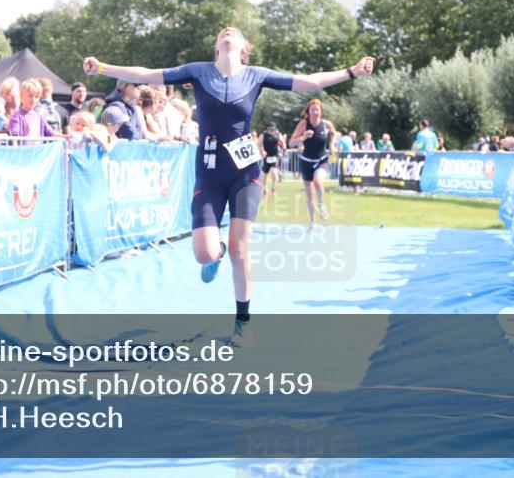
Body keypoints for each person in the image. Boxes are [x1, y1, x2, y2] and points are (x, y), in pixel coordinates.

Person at [83, 26, 375, 345]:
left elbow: (309, 81)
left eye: (234, 32)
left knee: (240, 246)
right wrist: (102, 67)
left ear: (243, 48)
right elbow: (147, 73)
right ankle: (217, 253)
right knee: (204, 253)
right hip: (208, 170)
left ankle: (242, 323)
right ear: (216, 46)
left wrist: (351, 71)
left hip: (244, 170)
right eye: (223, 31)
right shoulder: (198, 72)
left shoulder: (255, 75)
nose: (227, 31)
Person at [288, 99, 337, 230]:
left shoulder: (326, 124)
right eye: (312, 110)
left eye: (317, 109)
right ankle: (313, 222)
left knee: (317, 182)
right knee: (309, 194)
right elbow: (291, 143)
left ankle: (322, 206)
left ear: (321, 111)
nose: (315, 112)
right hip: (306, 162)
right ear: (308, 112)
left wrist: (332, 145)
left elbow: (334, 134)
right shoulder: (303, 124)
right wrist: (303, 137)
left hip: (322, 160)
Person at [258, 122, 286, 198]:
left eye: (273, 129)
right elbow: (259, 144)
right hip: (266, 157)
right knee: (265, 176)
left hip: (275, 157)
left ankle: (273, 188)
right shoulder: (263, 135)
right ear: (267, 129)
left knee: (274, 173)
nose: (272, 130)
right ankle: (265, 189)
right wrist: (261, 151)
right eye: (270, 129)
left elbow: (283, 143)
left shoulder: (278, 135)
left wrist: (284, 150)